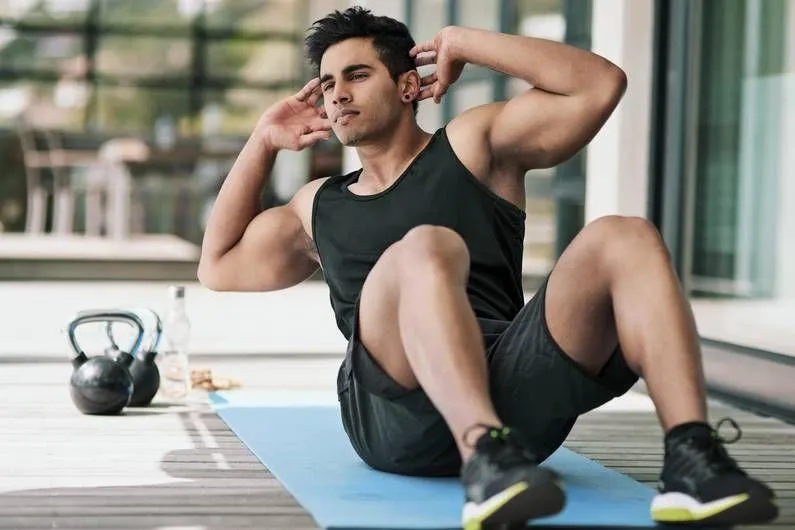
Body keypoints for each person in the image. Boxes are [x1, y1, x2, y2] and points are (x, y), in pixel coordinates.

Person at [198, 6, 778, 529]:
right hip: (394, 414)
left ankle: (692, 455)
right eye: (328, 84)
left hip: (513, 391)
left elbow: (601, 86)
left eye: (357, 75)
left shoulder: (473, 143)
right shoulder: (317, 205)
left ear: (407, 85)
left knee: (625, 235)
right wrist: (263, 140)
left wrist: (463, 41)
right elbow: (217, 266)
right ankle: (483, 456)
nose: (337, 95)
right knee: (427, 247)